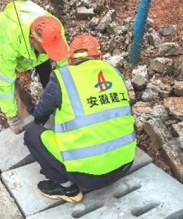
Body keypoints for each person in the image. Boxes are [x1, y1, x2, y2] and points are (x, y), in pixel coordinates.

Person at [24, 34, 136, 203]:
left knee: (32, 134)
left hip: (88, 177)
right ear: (99, 57)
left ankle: (67, 188)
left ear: (70, 59)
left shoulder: (63, 77)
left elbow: (41, 113)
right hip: (125, 165)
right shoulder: (115, 73)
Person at [0, 0, 68, 132]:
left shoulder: (54, 28)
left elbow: (65, 62)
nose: (50, 53)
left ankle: (54, 107)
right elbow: (4, 79)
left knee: (49, 77)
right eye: (47, 49)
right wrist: (11, 115)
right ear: (32, 39)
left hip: (28, 44)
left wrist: (68, 96)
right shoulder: (10, 38)